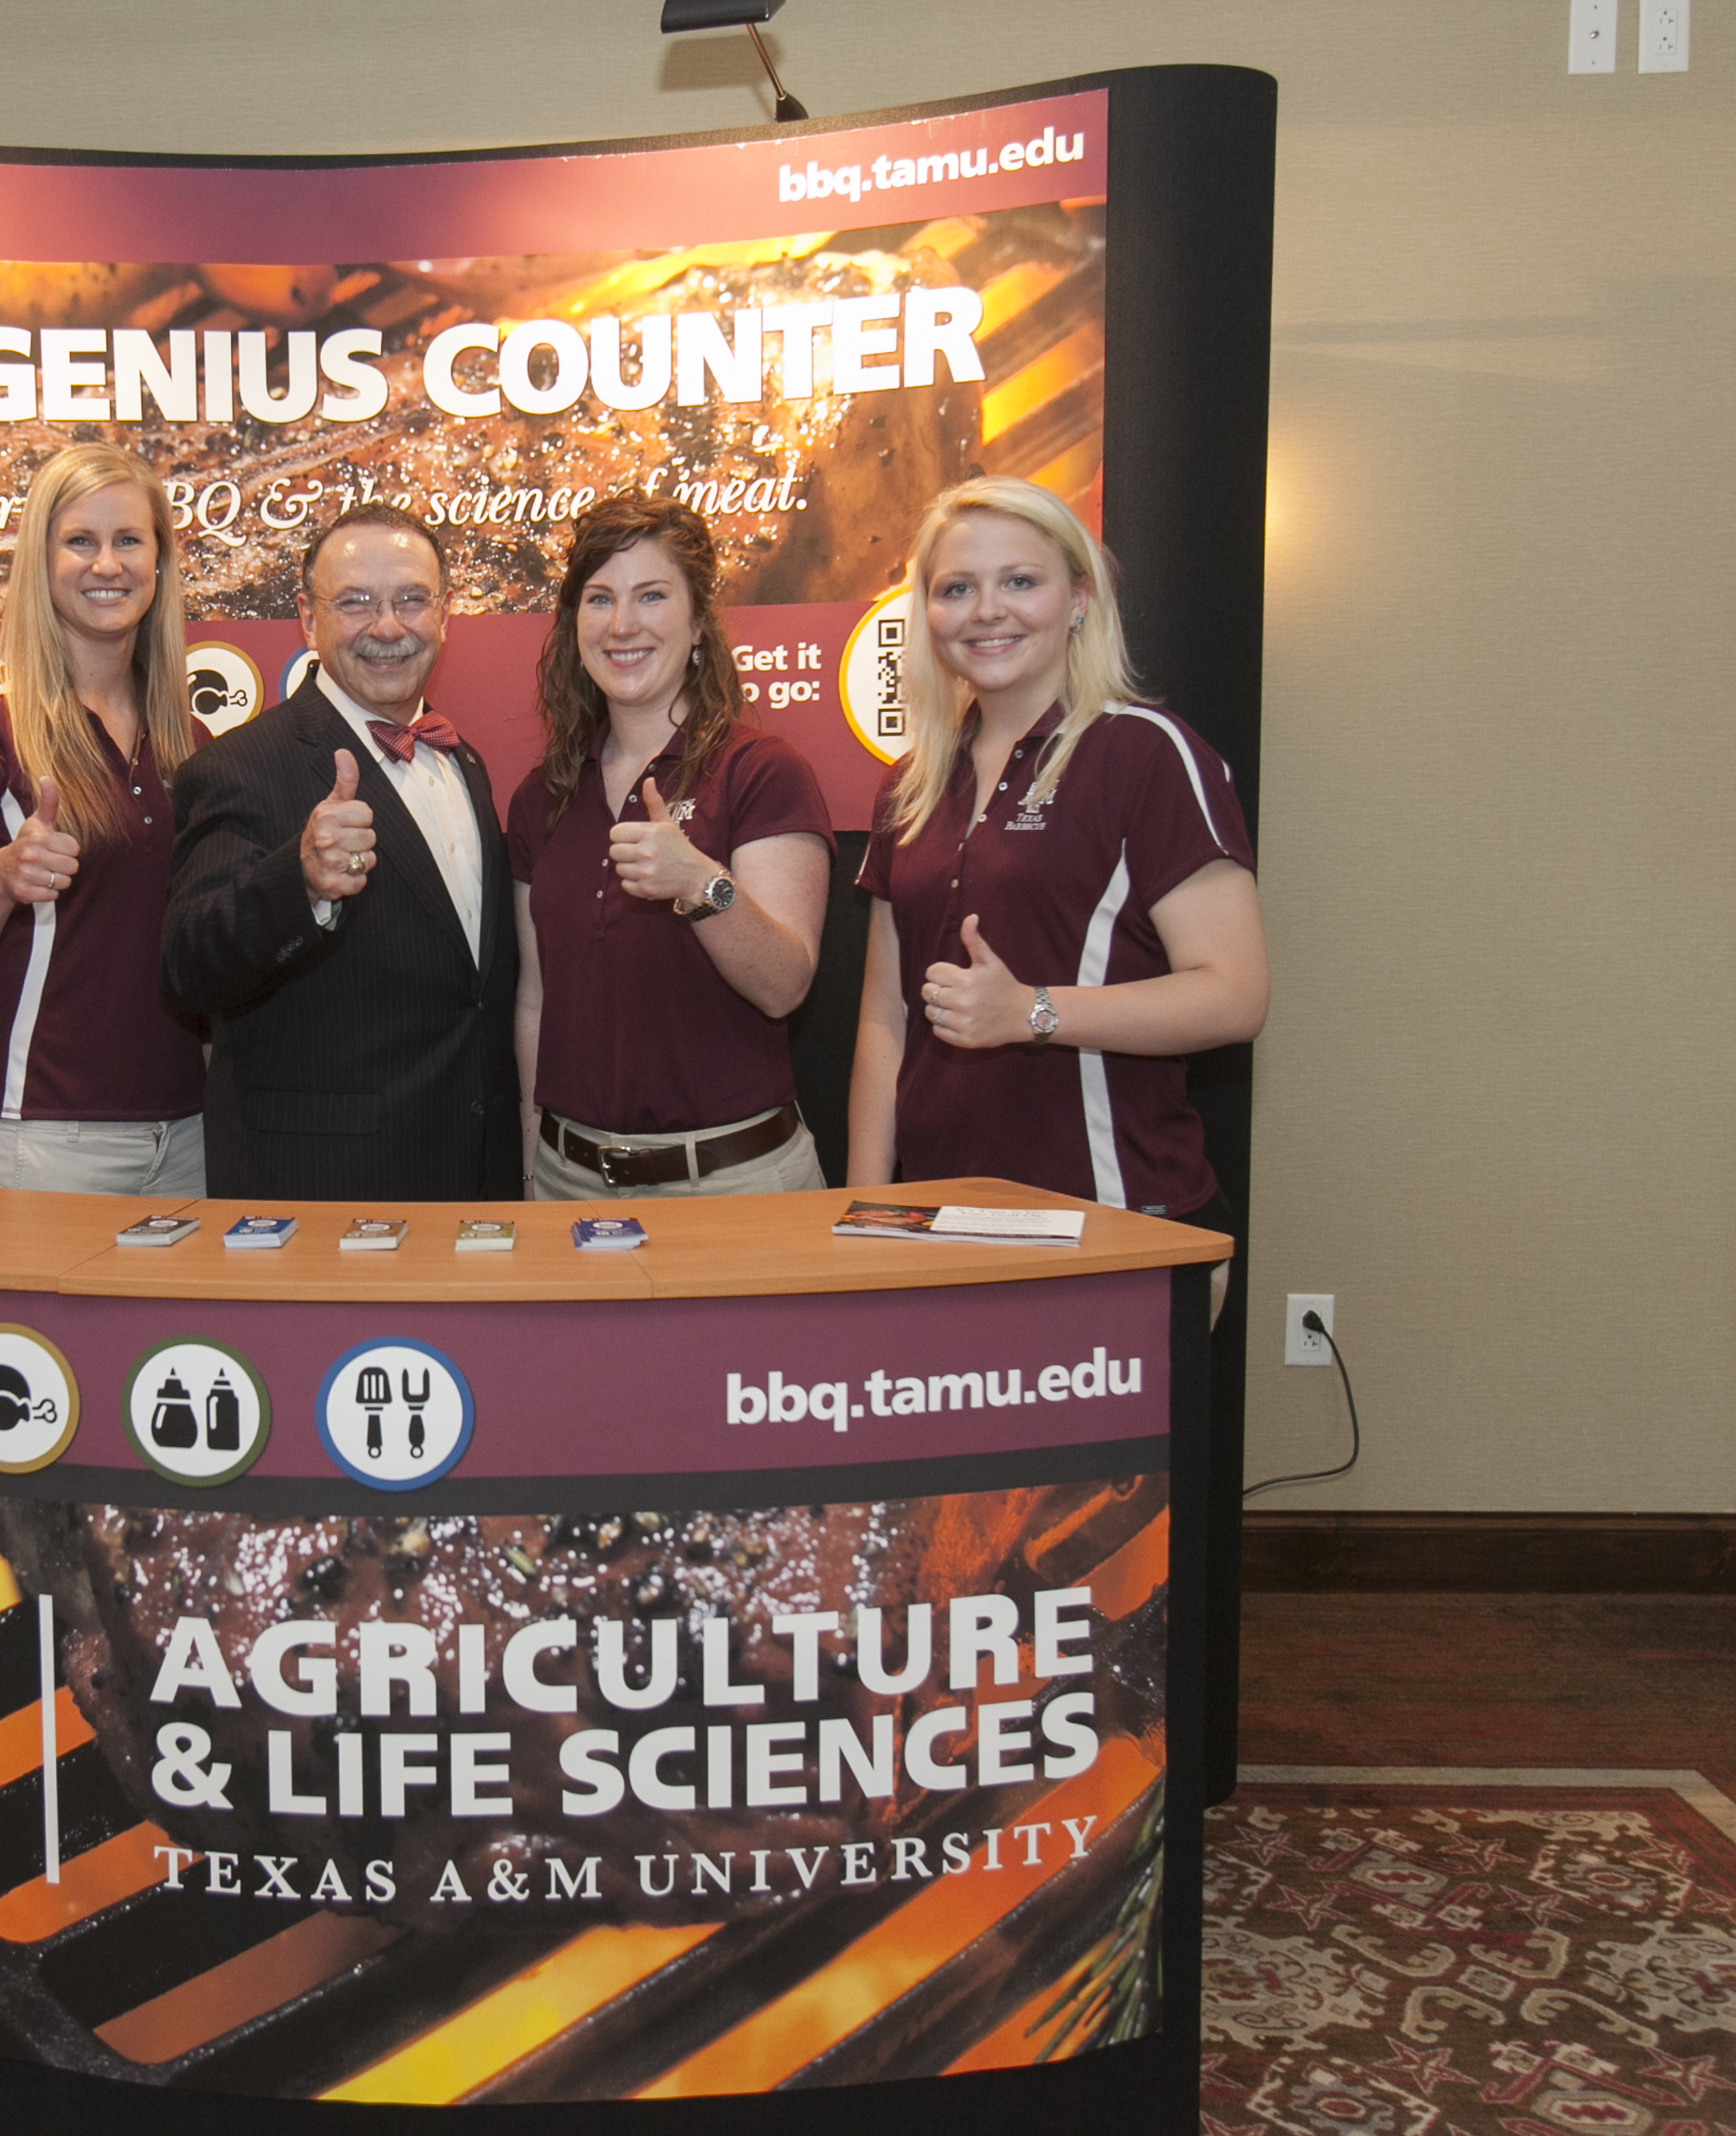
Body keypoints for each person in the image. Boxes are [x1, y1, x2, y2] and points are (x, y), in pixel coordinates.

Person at [843, 474, 1267, 1802]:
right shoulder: (917, 781)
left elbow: (1234, 990)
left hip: (1111, 1237)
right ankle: (983, 1827)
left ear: (1080, 596)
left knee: (1095, 1591)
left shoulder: (1146, 753)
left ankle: (1116, 1847)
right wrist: (861, 1221)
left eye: (1018, 580)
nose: (987, 610)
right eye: (955, 587)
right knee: (964, 1571)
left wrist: (1032, 1011)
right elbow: (882, 1023)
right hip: (940, 1246)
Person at [163, 504, 517, 1201]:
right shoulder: (241, 765)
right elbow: (186, 968)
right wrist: (297, 883)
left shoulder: (465, 762)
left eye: (411, 600)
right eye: (354, 602)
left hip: (475, 1184)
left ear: (444, 613)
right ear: (307, 617)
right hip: (324, 1192)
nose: (387, 627)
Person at [0, 443, 207, 1194]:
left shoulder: (189, 740)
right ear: (40, 561)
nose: (107, 564)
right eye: (79, 540)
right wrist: (0, 877)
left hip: (188, 1137)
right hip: (39, 1140)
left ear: (161, 561)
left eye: (129, 539)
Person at [508, 494, 832, 1197]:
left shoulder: (762, 772)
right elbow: (536, 1000)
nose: (622, 624)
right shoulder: (543, 795)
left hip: (733, 1185)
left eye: (651, 595)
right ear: (573, 624)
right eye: (600, 599)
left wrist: (701, 884)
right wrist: (533, 1163)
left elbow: (784, 986)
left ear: (698, 622)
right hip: (568, 1180)